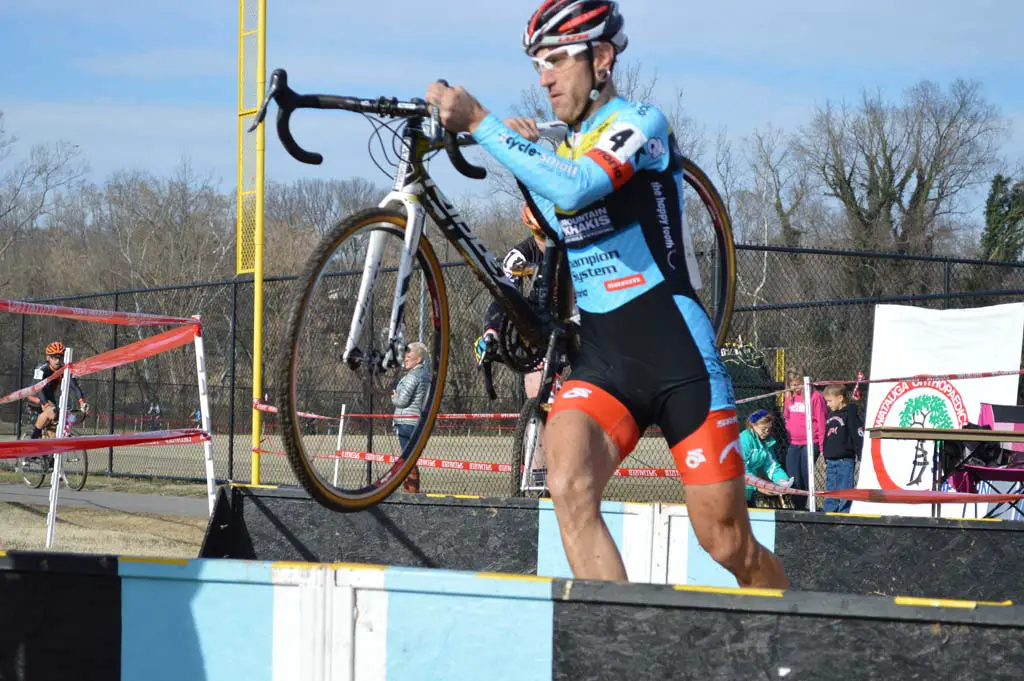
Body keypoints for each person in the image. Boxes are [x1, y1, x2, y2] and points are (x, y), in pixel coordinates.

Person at [426, 0, 788, 587]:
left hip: (676, 355)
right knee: (566, 486)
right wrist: (525, 158)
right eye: (537, 64)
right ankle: (616, 643)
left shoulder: (641, 122)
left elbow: (577, 189)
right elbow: (556, 215)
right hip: (603, 361)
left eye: (556, 60)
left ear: (600, 58)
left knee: (726, 542)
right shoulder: (564, 149)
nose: (544, 77)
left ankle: (788, 642)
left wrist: (481, 122)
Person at [475, 202, 550, 490]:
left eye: (549, 234)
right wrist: (492, 332)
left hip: (574, 321)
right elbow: (502, 298)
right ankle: (540, 477)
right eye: (539, 235)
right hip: (539, 333)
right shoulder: (519, 257)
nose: (545, 241)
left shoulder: (572, 247)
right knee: (538, 398)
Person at [782, 367, 826, 511]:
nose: (795, 388)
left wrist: (821, 446)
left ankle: (808, 506)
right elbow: (787, 417)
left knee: (806, 475)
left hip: (810, 442)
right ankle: (797, 507)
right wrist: (790, 433)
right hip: (794, 443)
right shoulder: (789, 397)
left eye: (797, 384)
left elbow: (821, 421)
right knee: (793, 477)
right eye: (792, 385)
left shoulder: (815, 397)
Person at [26, 341, 89, 441]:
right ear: (48, 358)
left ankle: (49, 453)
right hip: (35, 396)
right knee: (50, 410)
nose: (57, 360)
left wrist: (82, 402)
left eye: (60, 357)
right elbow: (38, 389)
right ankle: (33, 440)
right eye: (54, 357)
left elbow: (75, 386)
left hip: (49, 397)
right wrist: (46, 406)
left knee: (56, 425)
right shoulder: (41, 369)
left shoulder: (64, 369)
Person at [392, 342, 430, 493]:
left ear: (419, 359)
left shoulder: (413, 376)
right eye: (405, 354)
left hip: (407, 422)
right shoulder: (424, 375)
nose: (405, 358)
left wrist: (394, 397)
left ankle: (411, 494)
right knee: (409, 460)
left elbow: (402, 401)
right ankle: (411, 492)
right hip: (415, 422)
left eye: (409, 355)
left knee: (408, 461)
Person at [822, 384, 863, 513]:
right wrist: (825, 458)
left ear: (840, 398)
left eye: (830, 401)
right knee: (831, 491)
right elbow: (827, 437)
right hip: (831, 461)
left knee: (845, 492)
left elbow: (857, 435)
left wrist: (861, 454)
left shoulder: (849, 414)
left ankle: (844, 515)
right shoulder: (831, 416)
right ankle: (829, 514)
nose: (828, 404)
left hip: (845, 461)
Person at [739, 409, 793, 507]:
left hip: (748, 491)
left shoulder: (767, 442)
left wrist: (782, 480)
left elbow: (771, 465)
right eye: (763, 429)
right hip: (733, 490)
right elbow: (740, 469)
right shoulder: (744, 440)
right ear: (753, 425)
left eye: (769, 428)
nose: (766, 432)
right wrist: (760, 486)